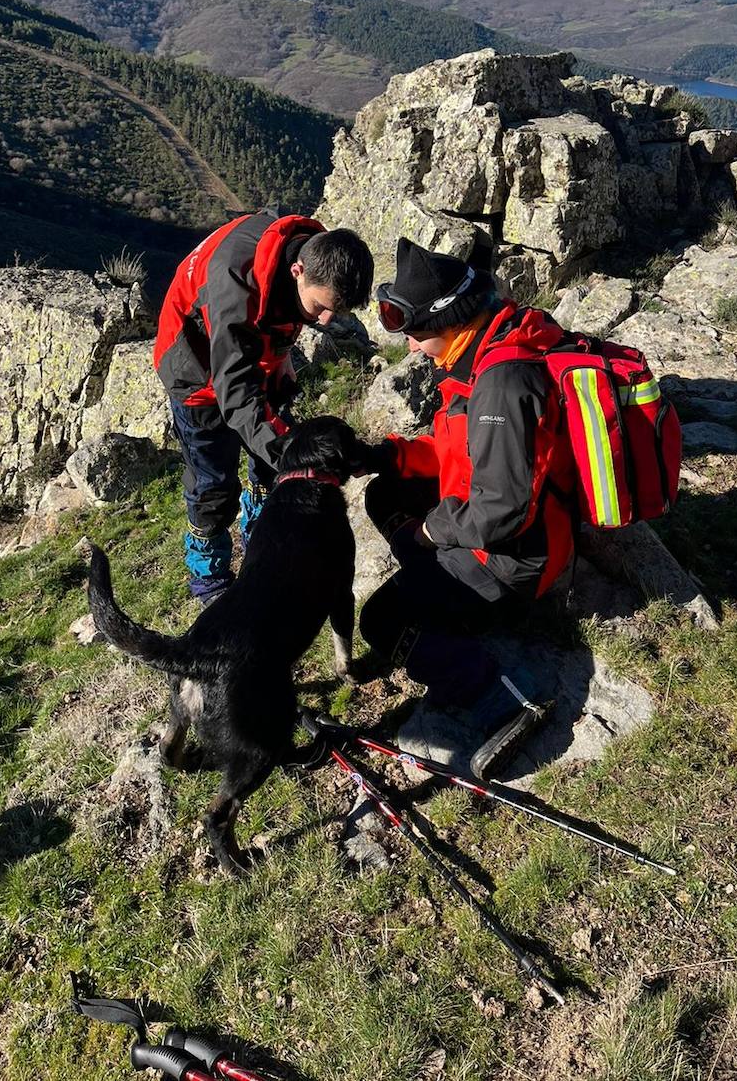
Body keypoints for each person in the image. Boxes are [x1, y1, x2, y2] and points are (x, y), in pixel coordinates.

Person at [358, 238, 577, 780]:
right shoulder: (483, 349)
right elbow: (461, 452)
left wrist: (432, 532)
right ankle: (434, 601)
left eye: (414, 332)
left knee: (379, 620)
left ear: (449, 319)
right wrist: (391, 455)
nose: (409, 348)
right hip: (501, 523)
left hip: (516, 557)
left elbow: (501, 511)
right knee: (384, 492)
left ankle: (497, 700)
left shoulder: (502, 383)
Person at [154, 209, 373, 600]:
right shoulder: (235, 286)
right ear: (298, 271)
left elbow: (278, 313)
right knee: (212, 483)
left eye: (333, 312)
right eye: (319, 308)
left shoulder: (314, 251)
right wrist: (295, 459)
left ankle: (260, 541)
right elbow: (235, 395)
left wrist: (283, 355)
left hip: (257, 357)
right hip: (196, 374)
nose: (323, 319)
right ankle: (211, 580)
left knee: (268, 462)